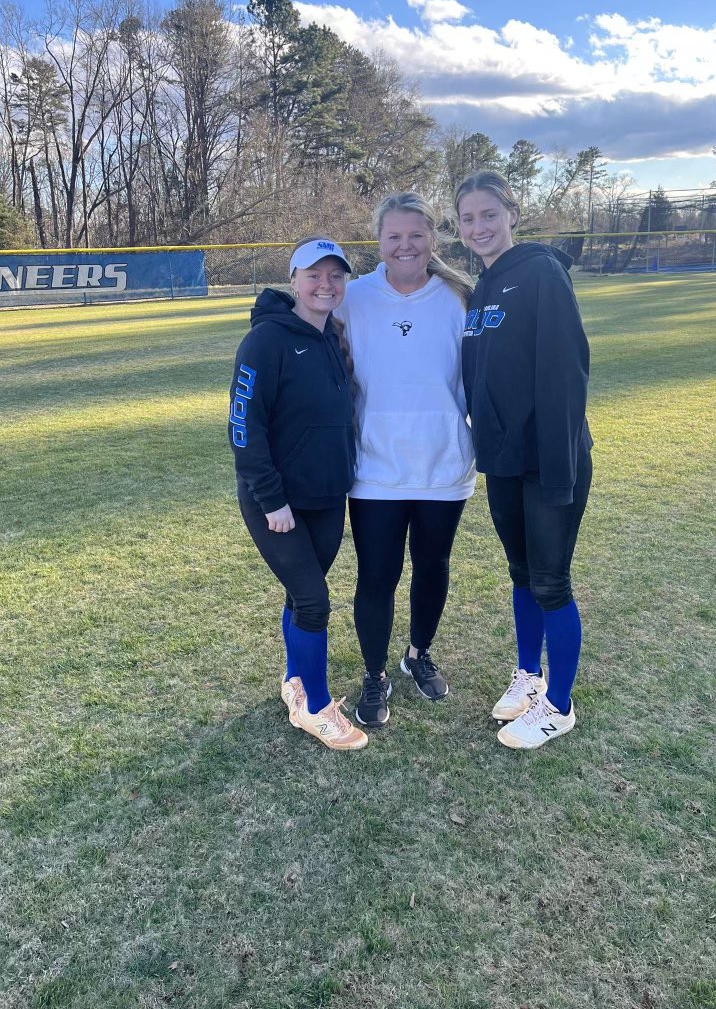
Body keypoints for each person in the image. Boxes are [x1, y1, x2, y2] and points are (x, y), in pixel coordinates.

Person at [455, 171, 593, 750]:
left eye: (489, 214)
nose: (479, 227)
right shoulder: (482, 287)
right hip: (504, 460)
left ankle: (558, 705)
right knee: (521, 573)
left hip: (549, 459)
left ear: (512, 213)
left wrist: (559, 467)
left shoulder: (541, 273)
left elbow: (566, 373)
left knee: (551, 581)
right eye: (467, 219)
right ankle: (529, 675)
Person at [336, 193, 476, 728]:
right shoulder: (354, 297)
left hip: (444, 464)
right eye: (393, 236)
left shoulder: (460, 297)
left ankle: (418, 654)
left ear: (433, 238)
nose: (405, 246)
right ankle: (375, 673)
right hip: (375, 468)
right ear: (378, 242)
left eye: (416, 235)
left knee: (432, 566)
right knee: (377, 576)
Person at [228, 237, 367, 751]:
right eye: (314, 275)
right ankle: (316, 708)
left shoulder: (333, 335)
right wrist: (272, 500)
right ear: (293, 280)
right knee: (313, 602)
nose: (325, 284)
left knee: (300, 595)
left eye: (335, 275)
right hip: (276, 503)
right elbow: (244, 427)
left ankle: (295, 680)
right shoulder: (265, 340)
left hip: (326, 496)